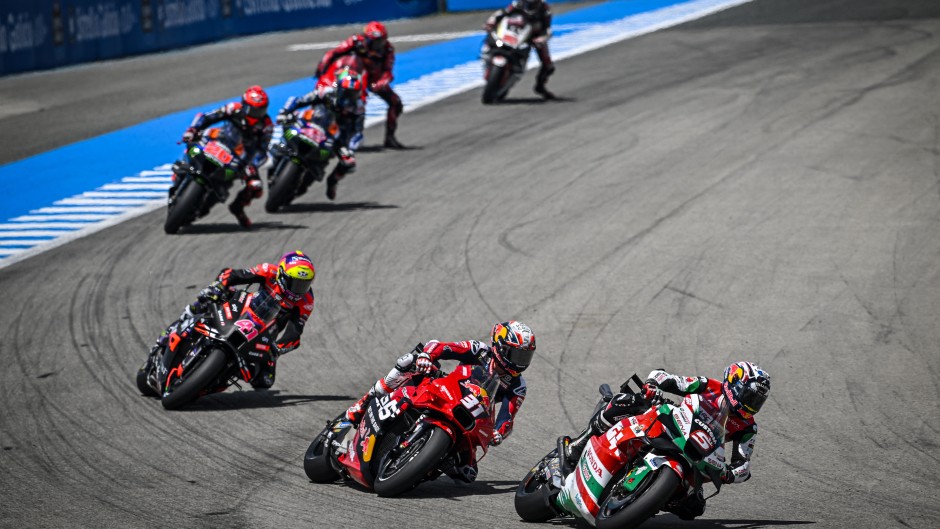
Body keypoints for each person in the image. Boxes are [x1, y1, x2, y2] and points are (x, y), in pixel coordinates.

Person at [559, 362, 771, 520]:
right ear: (734, 384)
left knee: (693, 509)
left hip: (699, 455)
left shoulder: (748, 427)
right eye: (750, 395)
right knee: (626, 401)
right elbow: (668, 379)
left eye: (758, 401)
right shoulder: (708, 386)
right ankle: (580, 443)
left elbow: (743, 463)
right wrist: (653, 384)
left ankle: (647, 498)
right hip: (674, 425)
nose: (752, 404)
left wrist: (730, 474)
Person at [344, 320, 537, 482]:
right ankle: (367, 399)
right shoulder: (479, 350)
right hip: (447, 390)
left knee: (467, 473)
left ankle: (426, 463)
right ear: (500, 346)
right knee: (408, 361)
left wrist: (498, 433)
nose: (521, 361)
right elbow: (444, 347)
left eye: (525, 356)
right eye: (517, 354)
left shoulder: (517, 385)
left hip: (471, 414)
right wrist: (427, 356)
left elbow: (507, 416)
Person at [146, 251, 316, 390]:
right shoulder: (268, 270)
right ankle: (176, 327)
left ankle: (217, 378)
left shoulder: (306, 300)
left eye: (304, 284)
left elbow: (295, 333)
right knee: (207, 299)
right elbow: (233, 274)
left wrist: (277, 349)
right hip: (244, 309)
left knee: (265, 381)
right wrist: (218, 286)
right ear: (282, 275)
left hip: (265, 333)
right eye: (295, 283)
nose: (299, 289)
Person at [173, 85, 273, 228]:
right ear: (244, 105)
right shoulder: (233, 108)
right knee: (194, 141)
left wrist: (252, 165)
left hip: (241, 159)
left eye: (261, 110)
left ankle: (238, 208)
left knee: (256, 186)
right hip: (220, 142)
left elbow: (263, 150)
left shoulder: (266, 125)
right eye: (253, 109)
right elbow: (207, 117)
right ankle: (182, 170)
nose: (257, 114)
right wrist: (193, 129)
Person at [274, 67, 365, 201]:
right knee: (282, 136)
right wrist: (284, 112)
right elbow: (299, 100)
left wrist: (350, 148)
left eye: (353, 94)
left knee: (348, 162)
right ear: (339, 88)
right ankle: (278, 156)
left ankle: (332, 181)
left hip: (334, 136)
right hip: (310, 124)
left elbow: (357, 131)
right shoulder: (325, 92)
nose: (349, 97)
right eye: (346, 92)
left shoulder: (358, 107)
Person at [315, 21, 406, 149]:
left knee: (396, 103)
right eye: (375, 41)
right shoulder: (355, 41)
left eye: (381, 41)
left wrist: (378, 84)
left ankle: (390, 138)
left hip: (373, 80)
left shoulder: (388, 50)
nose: (378, 45)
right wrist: (322, 67)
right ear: (367, 38)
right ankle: (338, 129)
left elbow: (388, 73)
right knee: (345, 99)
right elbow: (334, 53)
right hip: (351, 76)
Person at [484, 0, 556, 99]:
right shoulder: (517, 4)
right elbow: (502, 13)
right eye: (528, 3)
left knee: (548, 65)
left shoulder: (545, 10)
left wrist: (542, 38)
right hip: (513, 33)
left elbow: (547, 29)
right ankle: (486, 52)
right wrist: (491, 22)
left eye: (533, 4)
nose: (530, 6)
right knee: (491, 36)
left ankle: (540, 87)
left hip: (533, 37)